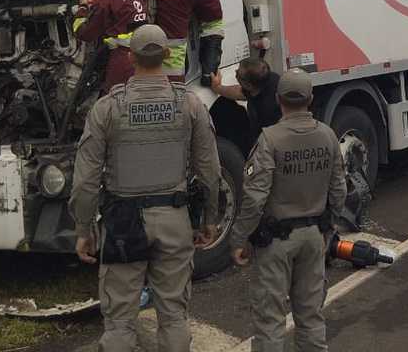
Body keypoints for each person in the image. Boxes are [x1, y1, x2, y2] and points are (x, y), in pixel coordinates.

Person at [69, 24, 222, 352]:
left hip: (123, 224)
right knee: (174, 316)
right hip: (174, 219)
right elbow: (209, 170)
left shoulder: (107, 108)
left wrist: (84, 229)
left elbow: (85, 180)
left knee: (120, 320)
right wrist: (209, 218)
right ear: (167, 55)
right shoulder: (190, 105)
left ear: (130, 56)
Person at [230, 69, 347, 352]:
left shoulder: (270, 139)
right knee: (310, 316)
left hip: (276, 241)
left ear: (278, 98)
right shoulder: (328, 136)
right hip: (313, 236)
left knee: (270, 322)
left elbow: (256, 197)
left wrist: (238, 239)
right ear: (310, 99)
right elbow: (339, 191)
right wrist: (328, 229)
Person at [73, 0, 150, 94]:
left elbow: (85, 34)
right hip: (148, 55)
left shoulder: (105, 3)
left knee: (116, 98)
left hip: (123, 59)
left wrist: (82, 8)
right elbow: (123, 1)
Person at [210, 57, 282, 140]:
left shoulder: (267, 111)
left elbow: (266, 139)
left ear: (248, 85)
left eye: (238, 74)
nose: (235, 72)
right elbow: (241, 92)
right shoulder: (268, 78)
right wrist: (217, 88)